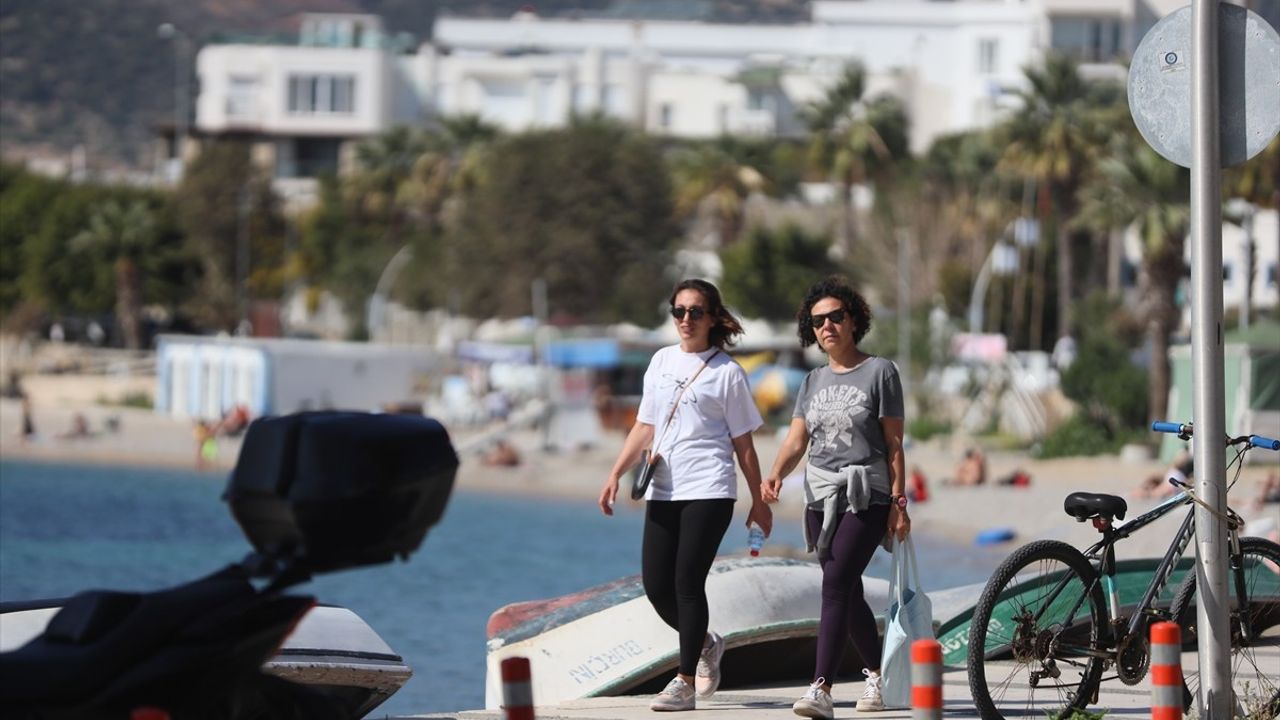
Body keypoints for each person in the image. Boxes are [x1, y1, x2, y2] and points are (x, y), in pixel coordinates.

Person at [598, 278, 771, 713]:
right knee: (657, 586)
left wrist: (759, 501)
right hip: (664, 486)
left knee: (687, 582)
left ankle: (684, 681)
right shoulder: (659, 361)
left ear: (713, 317)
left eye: (695, 311)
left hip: (710, 487)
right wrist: (615, 472)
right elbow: (645, 425)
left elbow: (743, 444)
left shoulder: (727, 373)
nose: (686, 320)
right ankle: (708, 642)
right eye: (679, 311)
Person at [760, 276, 909, 718]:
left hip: (867, 494)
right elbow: (796, 441)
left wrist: (899, 504)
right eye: (818, 320)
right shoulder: (811, 380)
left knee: (834, 585)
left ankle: (820, 688)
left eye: (836, 317)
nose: (827, 326)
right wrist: (775, 474)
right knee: (847, 591)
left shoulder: (881, 371)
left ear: (854, 320)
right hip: (819, 496)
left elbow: (895, 444)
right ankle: (878, 677)